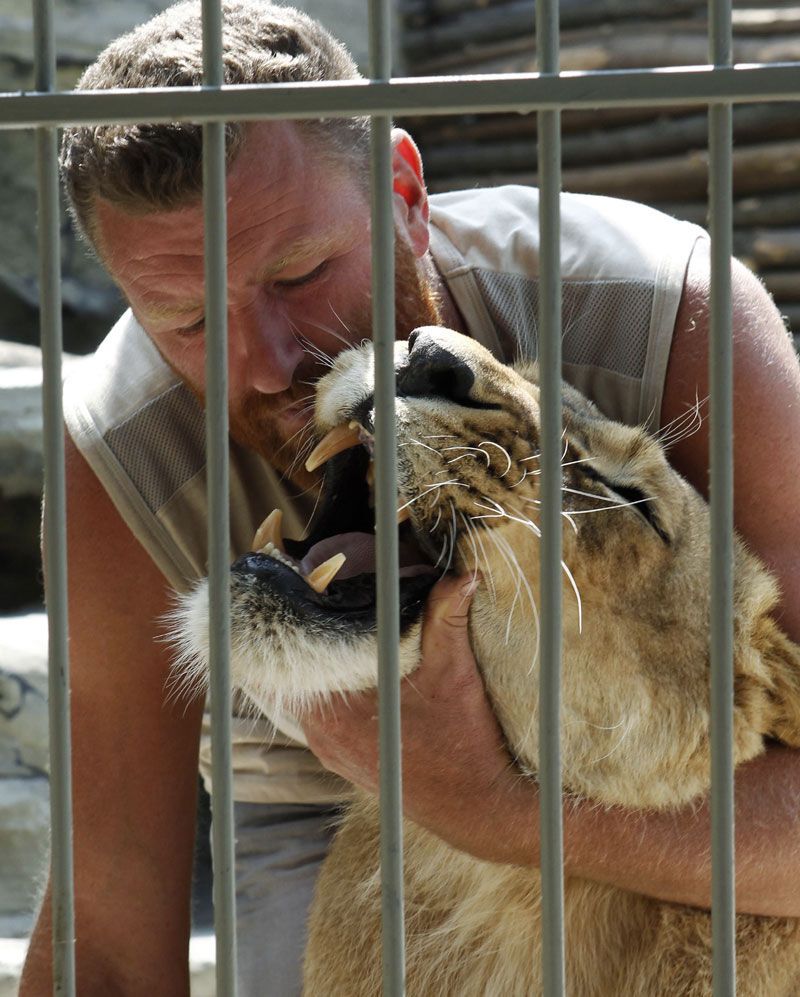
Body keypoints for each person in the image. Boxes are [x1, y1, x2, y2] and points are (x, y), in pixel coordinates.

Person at [20, 1, 800, 994]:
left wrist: (496, 812)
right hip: (322, 782)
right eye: (185, 320)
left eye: (300, 275)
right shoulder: (126, 448)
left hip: (646, 761)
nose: (267, 366)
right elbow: (111, 945)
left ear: (405, 193)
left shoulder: (656, 312)